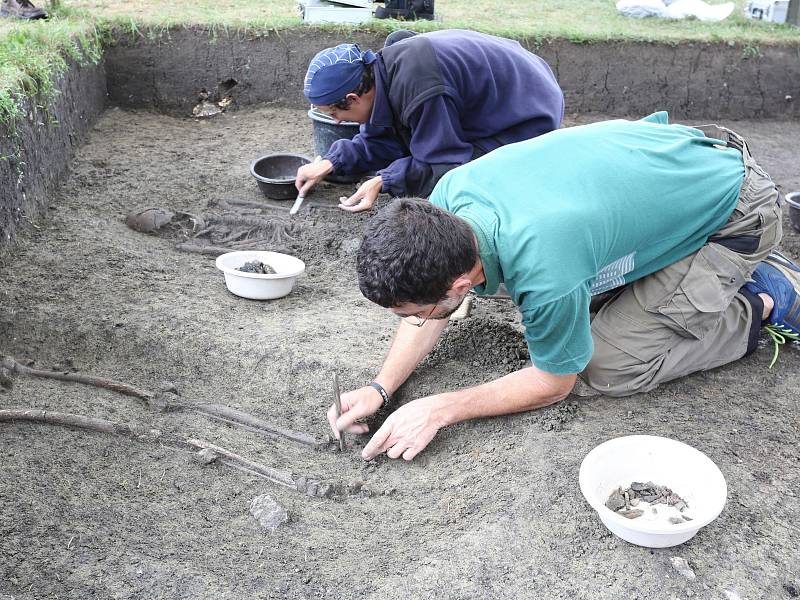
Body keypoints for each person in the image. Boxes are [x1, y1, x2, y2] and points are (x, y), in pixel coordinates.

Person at [328, 111, 798, 461]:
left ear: (457, 282)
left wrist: (441, 408)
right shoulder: (447, 204)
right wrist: (381, 387)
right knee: (579, 312)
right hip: (674, 169)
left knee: (602, 366)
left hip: (739, 209)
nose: (412, 321)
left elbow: (555, 382)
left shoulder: (545, 266)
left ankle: (766, 295)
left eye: (414, 311)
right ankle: (695, 259)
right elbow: (434, 305)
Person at [295, 29, 564, 212]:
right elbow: (386, 140)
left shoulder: (421, 89)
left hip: (527, 114)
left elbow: (445, 164)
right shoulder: (381, 74)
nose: (338, 123)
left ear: (353, 98)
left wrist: (383, 181)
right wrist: (333, 162)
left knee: (462, 182)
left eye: (334, 114)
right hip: (504, 93)